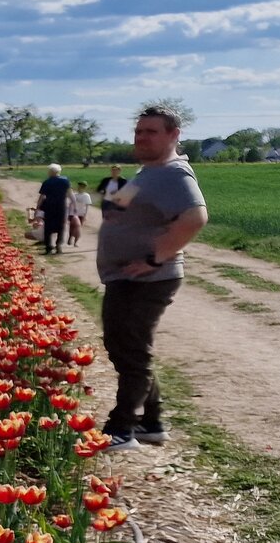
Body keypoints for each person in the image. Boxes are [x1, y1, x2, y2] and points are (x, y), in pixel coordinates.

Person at [96, 107, 209, 450]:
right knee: (126, 348)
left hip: (147, 278)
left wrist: (154, 257)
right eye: (139, 132)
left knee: (131, 351)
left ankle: (121, 429)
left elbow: (195, 217)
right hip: (124, 276)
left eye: (152, 132)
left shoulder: (174, 174)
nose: (142, 137)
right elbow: (117, 208)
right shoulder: (148, 172)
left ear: (174, 134)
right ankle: (152, 422)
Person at [37, 164, 71, 255]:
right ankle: (58, 245)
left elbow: (42, 196)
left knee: (48, 226)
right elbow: (69, 193)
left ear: (51, 172)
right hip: (61, 205)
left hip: (49, 205)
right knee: (60, 226)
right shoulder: (65, 181)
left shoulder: (47, 182)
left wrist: (38, 206)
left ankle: (48, 247)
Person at [67, 182, 92, 247]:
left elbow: (87, 206)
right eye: (79, 186)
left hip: (81, 213)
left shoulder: (86, 196)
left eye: (82, 187)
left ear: (84, 188)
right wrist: (68, 213)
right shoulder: (74, 195)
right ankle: (70, 237)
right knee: (72, 227)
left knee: (78, 227)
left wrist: (85, 215)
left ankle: (76, 242)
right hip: (73, 213)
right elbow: (70, 204)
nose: (80, 188)